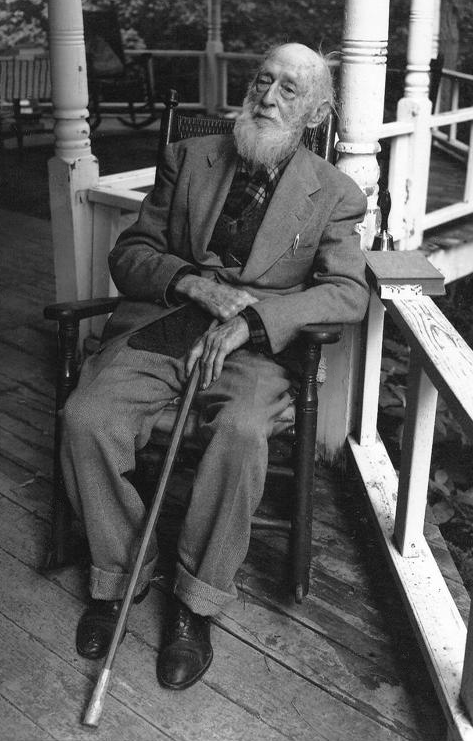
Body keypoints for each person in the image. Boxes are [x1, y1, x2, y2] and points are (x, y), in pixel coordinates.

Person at [61, 42, 370, 690]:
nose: (266, 95)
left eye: (288, 89)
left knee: (241, 433)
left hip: (252, 347)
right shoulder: (188, 157)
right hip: (167, 323)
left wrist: (252, 319)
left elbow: (346, 291)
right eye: (262, 80)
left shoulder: (334, 193)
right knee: (87, 415)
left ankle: (193, 603)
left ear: (314, 113)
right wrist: (195, 286)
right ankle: (121, 574)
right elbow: (132, 253)